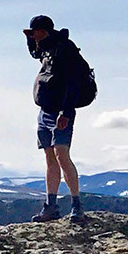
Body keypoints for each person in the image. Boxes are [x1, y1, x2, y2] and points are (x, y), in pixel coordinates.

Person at [26, 14, 87, 223]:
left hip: (61, 112)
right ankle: (51, 206)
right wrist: (30, 40)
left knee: (62, 155)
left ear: (44, 31)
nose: (34, 38)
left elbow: (73, 83)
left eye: (35, 33)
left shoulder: (64, 49)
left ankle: (76, 206)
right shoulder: (46, 47)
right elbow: (35, 54)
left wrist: (66, 112)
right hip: (45, 111)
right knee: (50, 158)